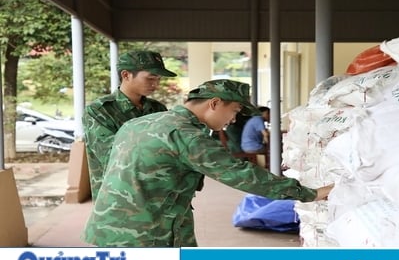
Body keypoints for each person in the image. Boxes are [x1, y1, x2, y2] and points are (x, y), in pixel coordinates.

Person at [82, 79, 333, 247]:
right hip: (146, 235)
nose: (234, 120)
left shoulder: (141, 122)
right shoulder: (186, 135)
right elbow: (240, 173)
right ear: (214, 103)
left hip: (109, 227)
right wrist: (310, 193)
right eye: (235, 111)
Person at [82, 50, 177, 202]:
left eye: (158, 79)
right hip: (117, 199)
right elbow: (114, 156)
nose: (156, 84)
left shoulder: (157, 109)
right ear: (126, 75)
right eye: (150, 78)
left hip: (158, 196)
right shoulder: (99, 111)